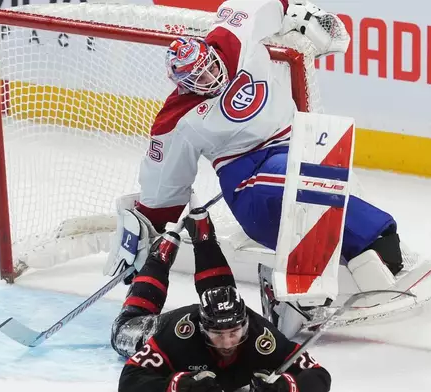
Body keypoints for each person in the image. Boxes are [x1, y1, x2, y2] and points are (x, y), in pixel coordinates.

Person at [106, 0, 414, 332]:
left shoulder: (232, 39)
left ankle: (374, 241)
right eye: (199, 77)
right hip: (243, 177)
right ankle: (306, 279)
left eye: (210, 66)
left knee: (310, 167)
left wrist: (298, 12)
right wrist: (147, 242)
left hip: (292, 143)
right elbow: (163, 188)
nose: (210, 77)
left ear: (211, 53)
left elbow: (258, 4)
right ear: (182, 84)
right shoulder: (176, 120)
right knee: (282, 187)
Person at [113, 208, 332, 392]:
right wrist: (180, 386)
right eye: (218, 334)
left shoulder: (263, 338)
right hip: (162, 327)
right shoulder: (180, 336)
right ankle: (157, 259)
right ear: (202, 328)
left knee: (221, 295)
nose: (228, 342)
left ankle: (205, 238)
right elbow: (129, 380)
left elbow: (319, 376)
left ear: (245, 323)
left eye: (234, 332)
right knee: (123, 329)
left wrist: (284, 387)